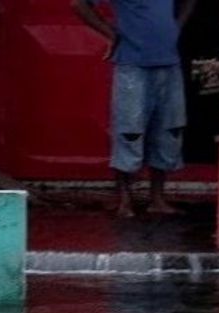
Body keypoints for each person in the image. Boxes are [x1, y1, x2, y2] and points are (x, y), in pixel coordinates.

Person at [72, 0, 197, 218]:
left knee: (168, 131)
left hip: (169, 63)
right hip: (132, 65)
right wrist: (110, 32)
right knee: (129, 131)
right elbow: (79, 4)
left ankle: (157, 198)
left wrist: (177, 26)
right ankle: (124, 198)